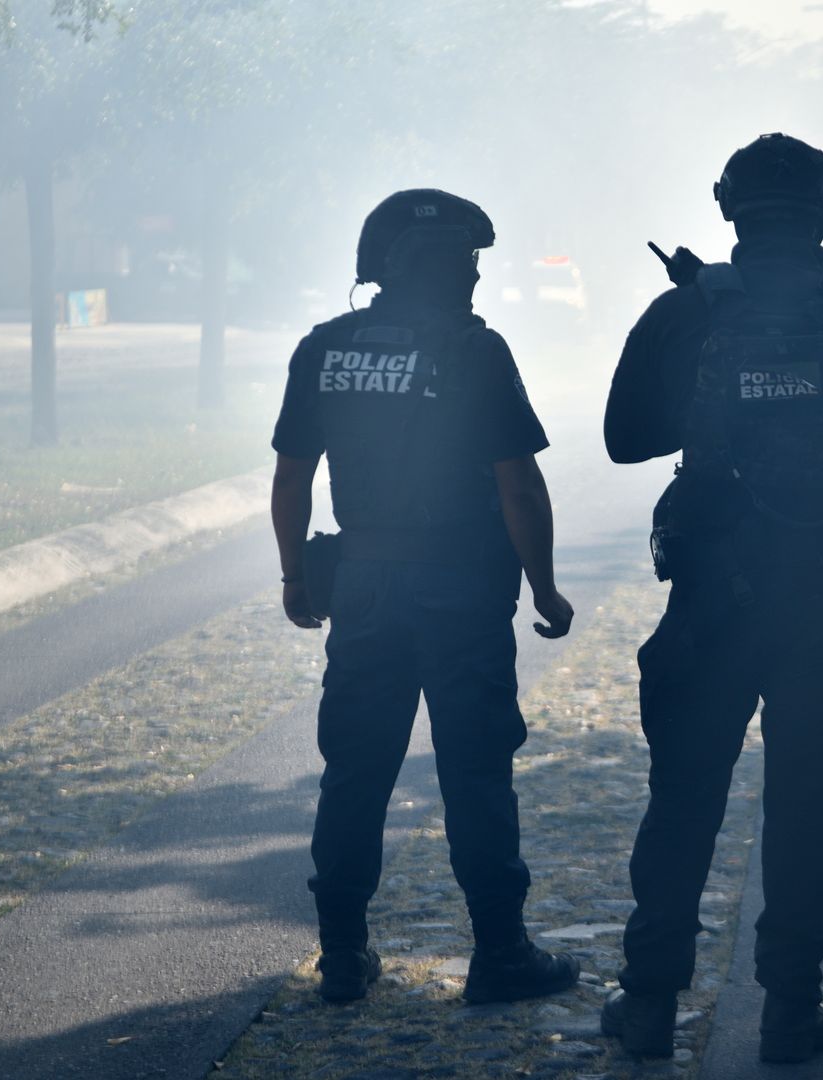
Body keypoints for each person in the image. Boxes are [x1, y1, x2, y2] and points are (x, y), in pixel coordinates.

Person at [598, 133, 823, 1063]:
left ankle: (651, 1003)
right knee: (806, 804)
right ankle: (791, 1008)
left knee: (683, 799)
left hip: (710, 596)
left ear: (728, 209)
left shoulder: (685, 313)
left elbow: (625, 439)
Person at [269, 189, 579, 1006]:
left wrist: (296, 577)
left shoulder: (325, 348)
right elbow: (519, 486)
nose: (475, 276)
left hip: (364, 590)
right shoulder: (475, 351)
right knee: (476, 771)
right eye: (465, 261)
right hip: (461, 592)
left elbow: (292, 478)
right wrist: (544, 586)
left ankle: (343, 956)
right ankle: (501, 954)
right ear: (433, 266)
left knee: (355, 770)